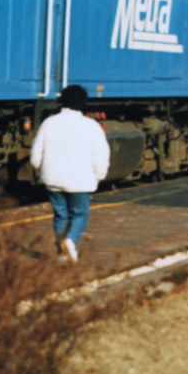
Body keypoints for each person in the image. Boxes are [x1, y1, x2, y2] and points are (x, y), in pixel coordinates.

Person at [30, 84, 110, 263]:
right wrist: (99, 175)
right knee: (80, 214)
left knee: (60, 215)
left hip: (52, 179)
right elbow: (100, 155)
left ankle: (62, 255)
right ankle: (71, 240)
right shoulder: (91, 126)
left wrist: (40, 169)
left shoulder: (48, 123)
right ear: (83, 103)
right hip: (80, 180)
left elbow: (36, 153)